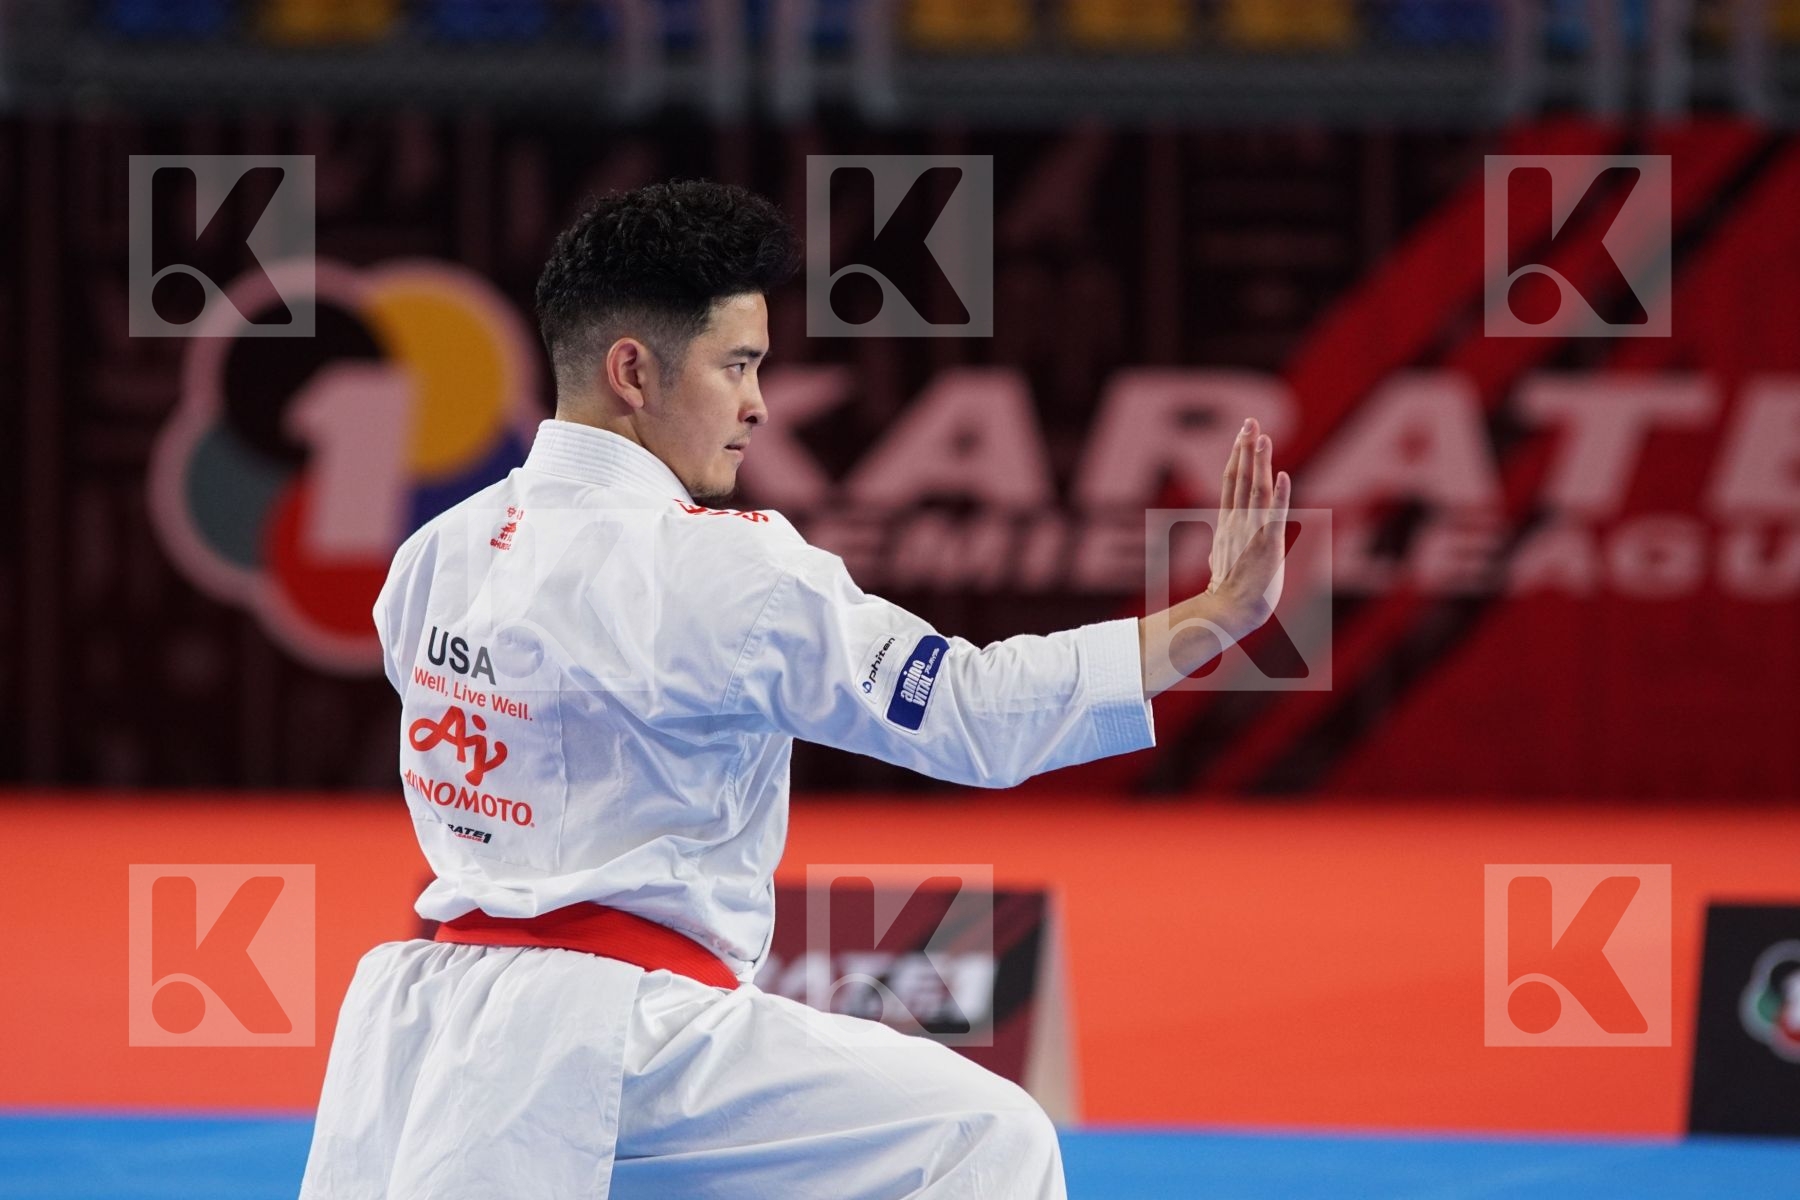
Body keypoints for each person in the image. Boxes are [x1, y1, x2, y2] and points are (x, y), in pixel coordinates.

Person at [300, 178, 1290, 1199]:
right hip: (631, 1040)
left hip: (421, 1035)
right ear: (633, 371)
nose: (759, 404)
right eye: (737, 366)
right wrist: (1206, 621)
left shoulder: (433, 554)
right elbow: (973, 715)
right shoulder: (727, 569)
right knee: (986, 1137)